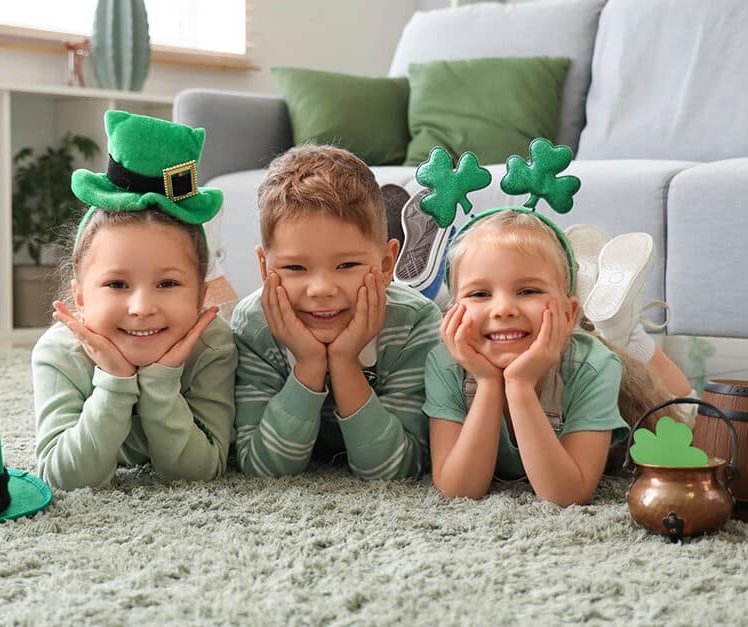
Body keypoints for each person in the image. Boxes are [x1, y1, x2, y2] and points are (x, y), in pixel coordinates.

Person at [420, 140, 690, 505]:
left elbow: (568, 493)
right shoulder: (445, 364)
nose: (502, 309)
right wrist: (486, 382)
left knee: (684, 411)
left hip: (620, 368)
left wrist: (518, 384)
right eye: (480, 294)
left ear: (566, 312)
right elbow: (459, 489)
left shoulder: (593, 366)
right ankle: (615, 325)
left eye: (527, 290)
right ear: (453, 311)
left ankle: (623, 332)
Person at [32, 111, 237, 490]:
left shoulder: (212, 346)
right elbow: (64, 478)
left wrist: (160, 383)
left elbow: (200, 471)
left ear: (200, 296)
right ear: (79, 296)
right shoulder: (59, 353)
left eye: (167, 283)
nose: (141, 307)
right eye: (116, 284)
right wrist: (113, 381)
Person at [231, 145, 442, 480]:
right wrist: (309, 365)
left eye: (346, 265)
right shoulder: (255, 324)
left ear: (387, 264)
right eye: (296, 267)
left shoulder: (414, 323)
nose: (321, 289)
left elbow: (395, 469)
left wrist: (344, 363)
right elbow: (264, 467)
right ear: (264, 267)